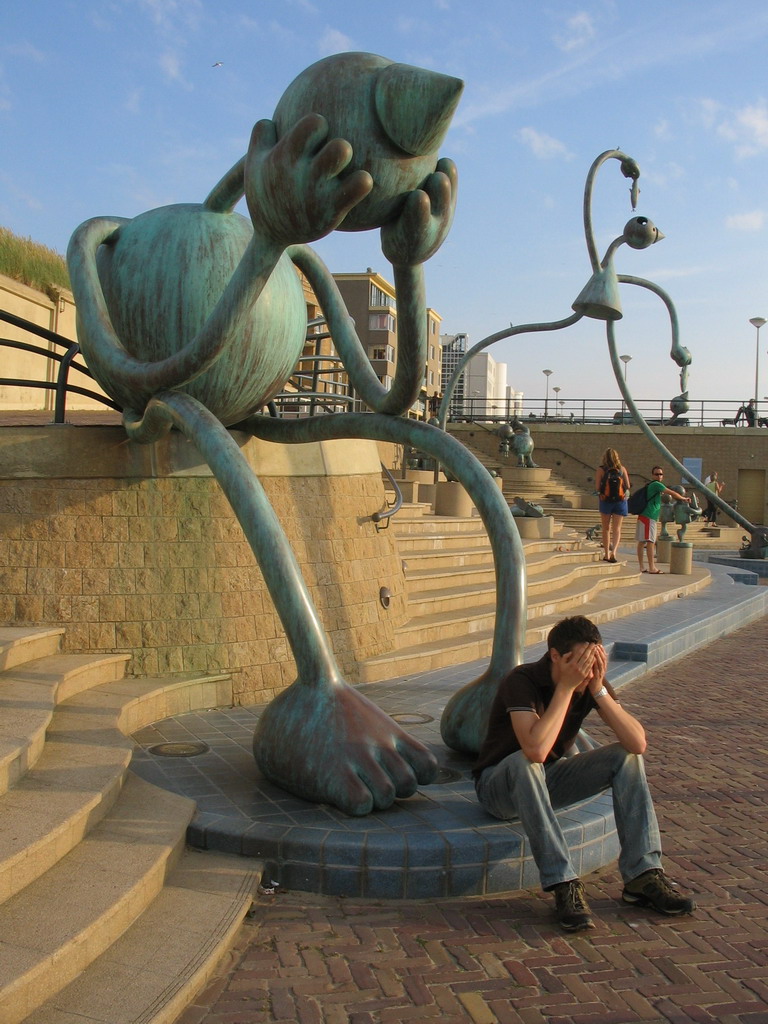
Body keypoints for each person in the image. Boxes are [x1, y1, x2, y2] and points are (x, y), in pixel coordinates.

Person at [473, 615, 695, 932]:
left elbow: (637, 743)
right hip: (499, 787)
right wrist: (565, 688)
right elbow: (534, 750)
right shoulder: (521, 680)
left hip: (547, 780)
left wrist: (598, 691)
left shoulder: (590, 682)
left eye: (594, 658)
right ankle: (563, 883)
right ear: (555, 656)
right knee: (526, 763)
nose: (586, 667)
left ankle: (642, 876)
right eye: (579, 659)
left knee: (626, 758)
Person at [636, 466, 690, 574]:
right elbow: (671, 493)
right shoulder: (656, 484)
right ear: (652, 475)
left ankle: (642, 566)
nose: (659, 476)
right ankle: (652, 567)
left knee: (642, 542)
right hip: (649, 517)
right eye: (656, 474)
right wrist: (683, 498)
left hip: (645, 516)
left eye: (661, 474)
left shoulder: (651, 485)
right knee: (650, 542)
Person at [595, 448, 630, 563]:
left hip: (605, 501)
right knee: (617, 529)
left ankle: (606, 553)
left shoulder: (601, 470)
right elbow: (628, 486)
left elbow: (597, 487)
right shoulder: (622, 469)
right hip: (620, 501)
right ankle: (614, 552)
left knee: (606, 528)